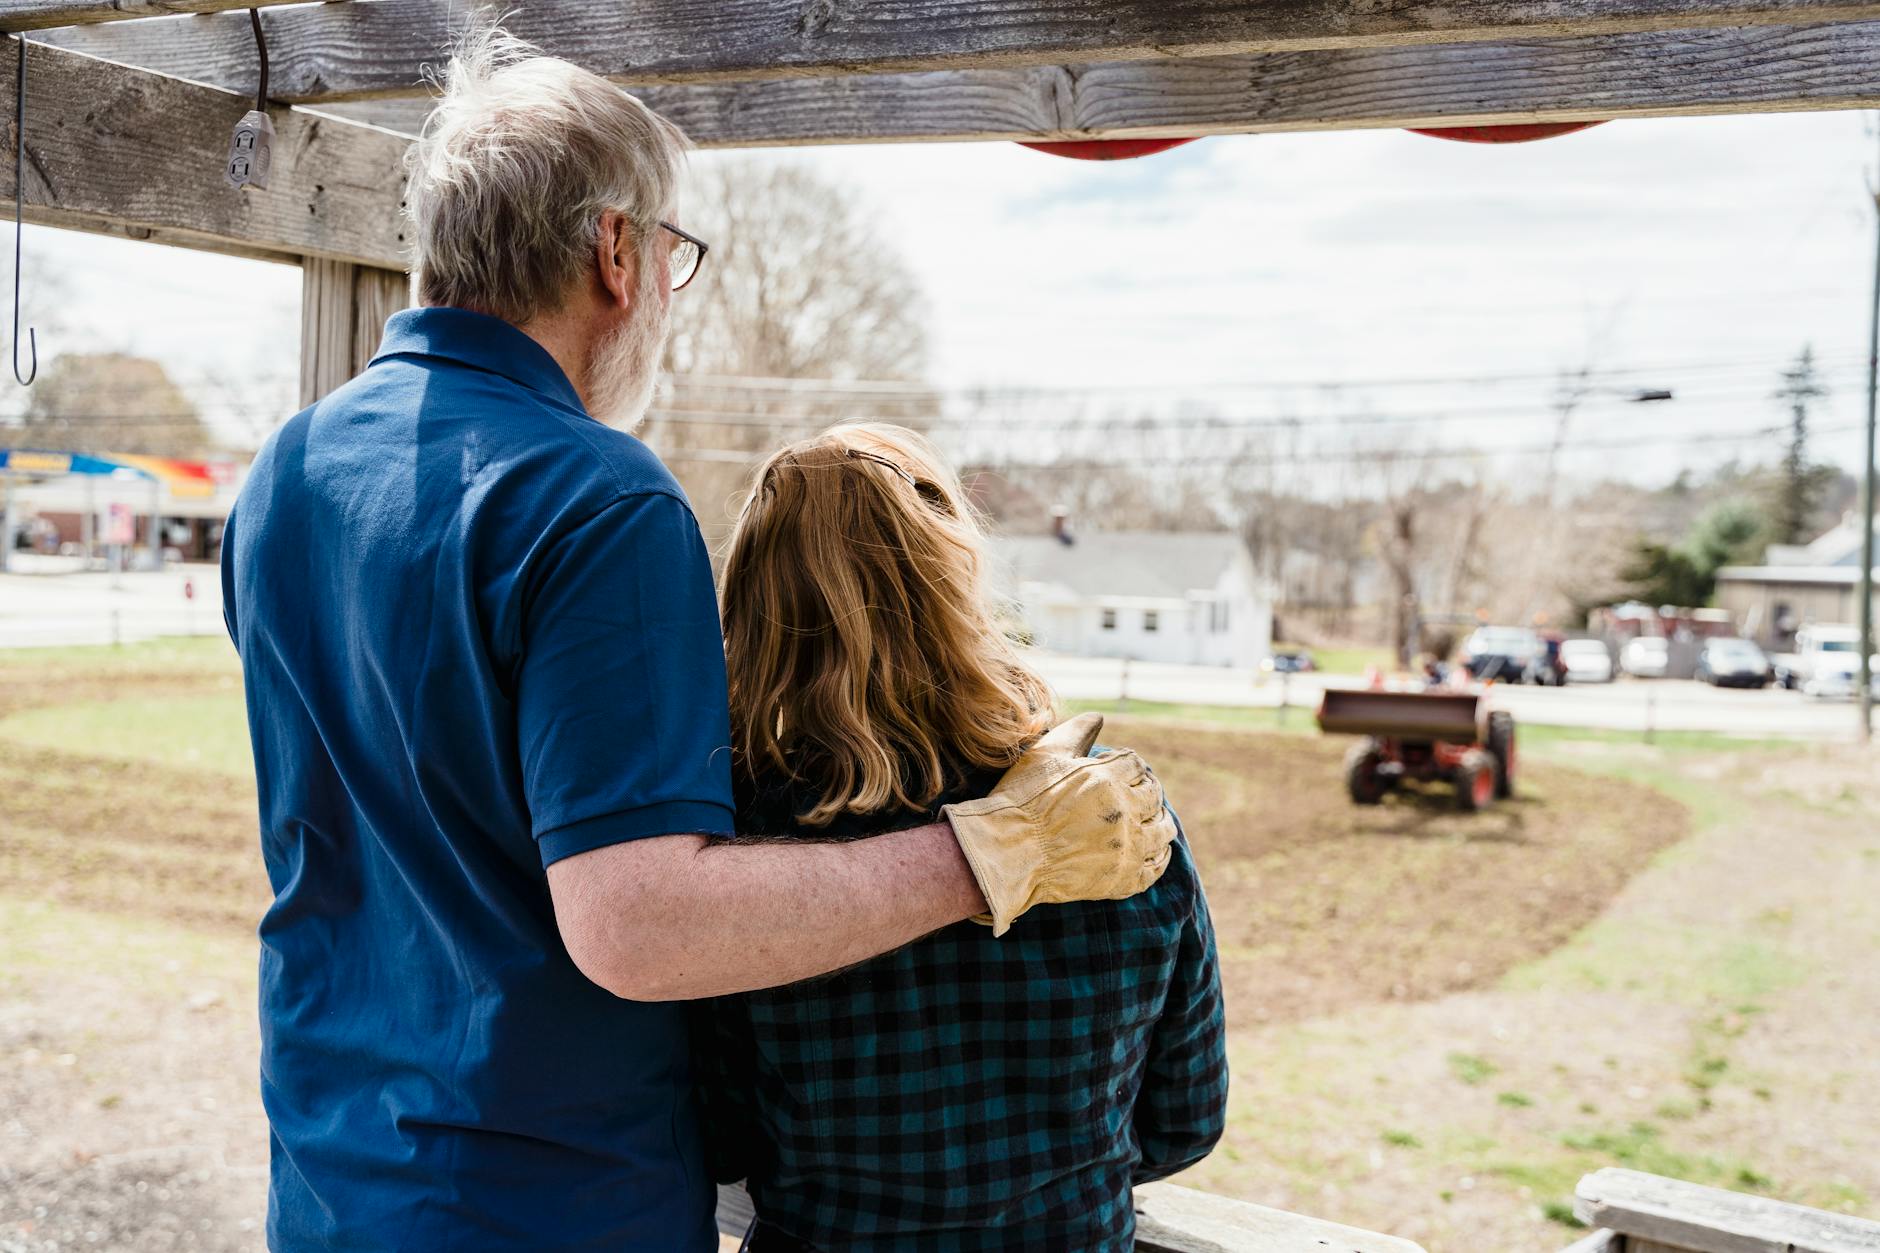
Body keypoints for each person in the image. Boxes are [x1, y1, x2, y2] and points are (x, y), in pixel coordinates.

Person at [218, 30, 1177, 1253]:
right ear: (614, 251)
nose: (667, 293)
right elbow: (637, 922)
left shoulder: (288, 470)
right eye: (673, 254)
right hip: (540, 1201)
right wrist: (990, 852)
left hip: (330, 1173)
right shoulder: (594, 496)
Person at [693, 424, 1228, 1252]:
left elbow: (718, 1134)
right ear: (954, 576)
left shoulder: (734, 849)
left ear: (758, 604)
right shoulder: (1116, 817)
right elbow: (1186, 1119)